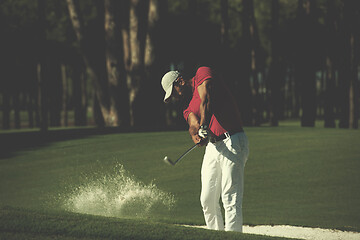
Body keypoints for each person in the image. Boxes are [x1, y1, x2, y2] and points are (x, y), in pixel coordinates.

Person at [161, 66, 249, 232]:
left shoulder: (203, 73)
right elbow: (192, 123)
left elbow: (206, 100)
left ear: (180, 81)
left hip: (233, 140)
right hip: (213, 147)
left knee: (230, 197)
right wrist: (197, 134)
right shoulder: (187, 108)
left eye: (174, 91)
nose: (175, 97)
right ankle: (215, 235)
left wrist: (204, 124)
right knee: (207, 200)